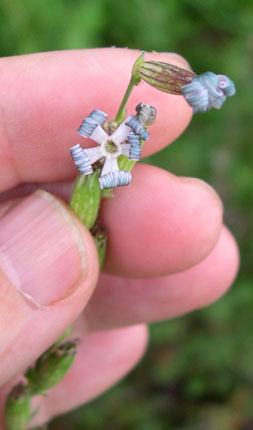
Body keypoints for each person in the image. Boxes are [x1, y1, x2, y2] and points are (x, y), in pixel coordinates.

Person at [0, 48, 239, 427]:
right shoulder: (109, 139)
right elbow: (104, 161)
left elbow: (113, 160)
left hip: (104, 163)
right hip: (101, 163)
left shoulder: (116, 141)